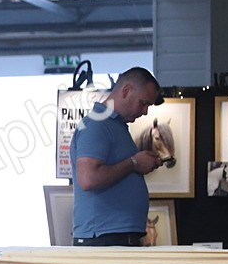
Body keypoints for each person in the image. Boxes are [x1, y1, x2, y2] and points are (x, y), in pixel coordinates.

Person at [70, 67, 164, 246]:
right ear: (126, 91)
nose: (145, 112)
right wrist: (134, 163)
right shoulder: (96, 125)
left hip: (115, 235)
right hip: (104, 238)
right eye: (143, 103)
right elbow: (88, 179)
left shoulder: (115, 126)